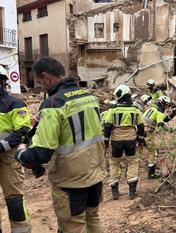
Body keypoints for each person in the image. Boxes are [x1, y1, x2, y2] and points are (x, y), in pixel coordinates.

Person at [15, 57, 105, 233]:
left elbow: (41, 153)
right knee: (93, 218)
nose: (42, 88)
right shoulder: (89, 97)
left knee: (73, 226)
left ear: (46, 77)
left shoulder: (54, 104)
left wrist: (21, 153)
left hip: (71, 181)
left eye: (41, 84)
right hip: (95, 174)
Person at [0, 66, 32, 233]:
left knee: (15, 201)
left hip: (8, 158)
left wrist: (2, 145)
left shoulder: (14, 104)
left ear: (3, 82)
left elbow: (23, 131)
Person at [103, 85, 145, 200]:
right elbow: (141, 126)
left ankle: (115, 192)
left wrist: (106, 143)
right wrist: (141, 140)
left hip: (116, 141)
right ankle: (132, 192)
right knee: (132, 162)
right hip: (131, 140)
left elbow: (107, 127)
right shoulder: (135, 109)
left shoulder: (113, 110)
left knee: (114, 163)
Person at [143, 95, 176, 179]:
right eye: (166, 105)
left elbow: (163, 119)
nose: (167, 107)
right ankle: (151, 174)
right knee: (153, 152)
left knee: (141, 152)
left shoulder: (152, 109)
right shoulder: (158, 111)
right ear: (162, 104)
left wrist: (172, 115)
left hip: (139, 132)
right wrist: (172, 130)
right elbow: (161, 124)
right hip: (147, 132)